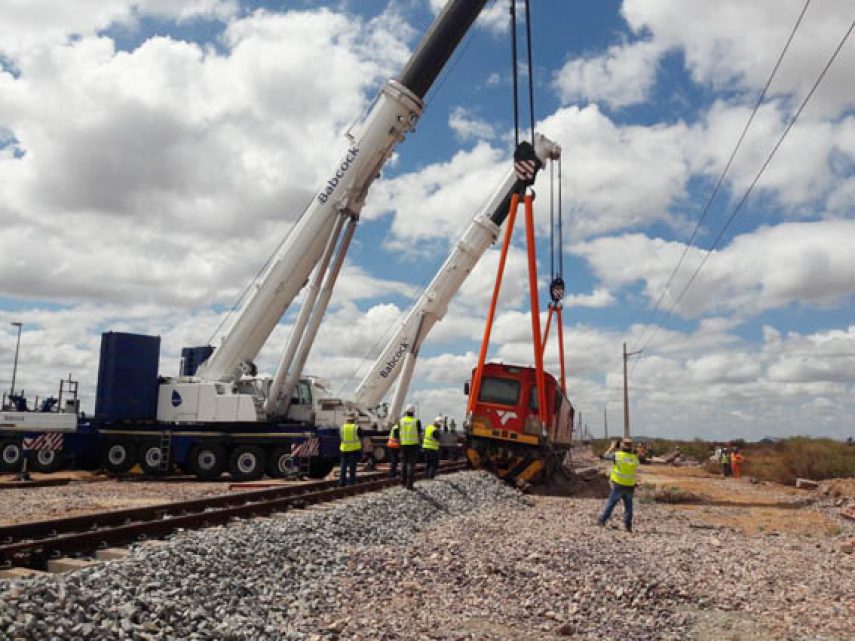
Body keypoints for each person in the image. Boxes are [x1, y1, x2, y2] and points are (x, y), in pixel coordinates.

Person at [597, 438, 639, 533]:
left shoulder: (617, 455)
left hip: (618, 484)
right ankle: (628, 526)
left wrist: (611, 448)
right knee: (629, 506)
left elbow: (603, 456)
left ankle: (602, 520)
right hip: (630, 485)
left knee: (611, 503)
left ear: (621, 446)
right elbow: (635, 465)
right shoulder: (634, 458)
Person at [397, 403, 421, 490]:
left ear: (406, 411)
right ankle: (409, 485)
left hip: (403, 444)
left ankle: (403, 483)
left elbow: (399, 433)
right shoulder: (416, 421)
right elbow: (419, 434)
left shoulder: (401, 421)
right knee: (411, 465)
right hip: (413, 445)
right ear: (413, 412)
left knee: (403, 464)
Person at [338, 411, 362, 487]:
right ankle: (351, 482)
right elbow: (360, 437)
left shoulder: (342, 428)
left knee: (343, 466)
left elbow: (341, 438)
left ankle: (341, 482)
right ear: (354, 419)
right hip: (353, 450)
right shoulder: (356, 427)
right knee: (352, 467)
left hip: (344, 449)